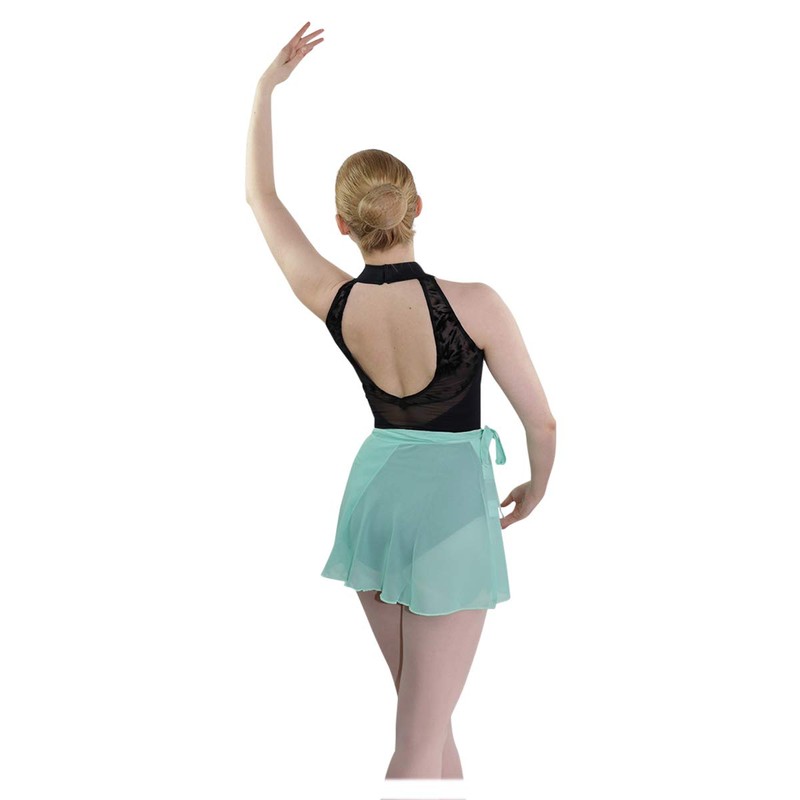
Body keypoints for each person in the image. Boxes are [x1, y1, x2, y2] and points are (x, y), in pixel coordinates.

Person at [245, 22, 557, 782]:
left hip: (376, 500)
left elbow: (260, 199)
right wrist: (537, 487)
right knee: (419, 736)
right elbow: (541, 421)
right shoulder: (476, 304)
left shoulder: (333, 297)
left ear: (342, 226)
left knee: (427, 721)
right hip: (451, 507)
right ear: (419, 205)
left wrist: (265, 90)